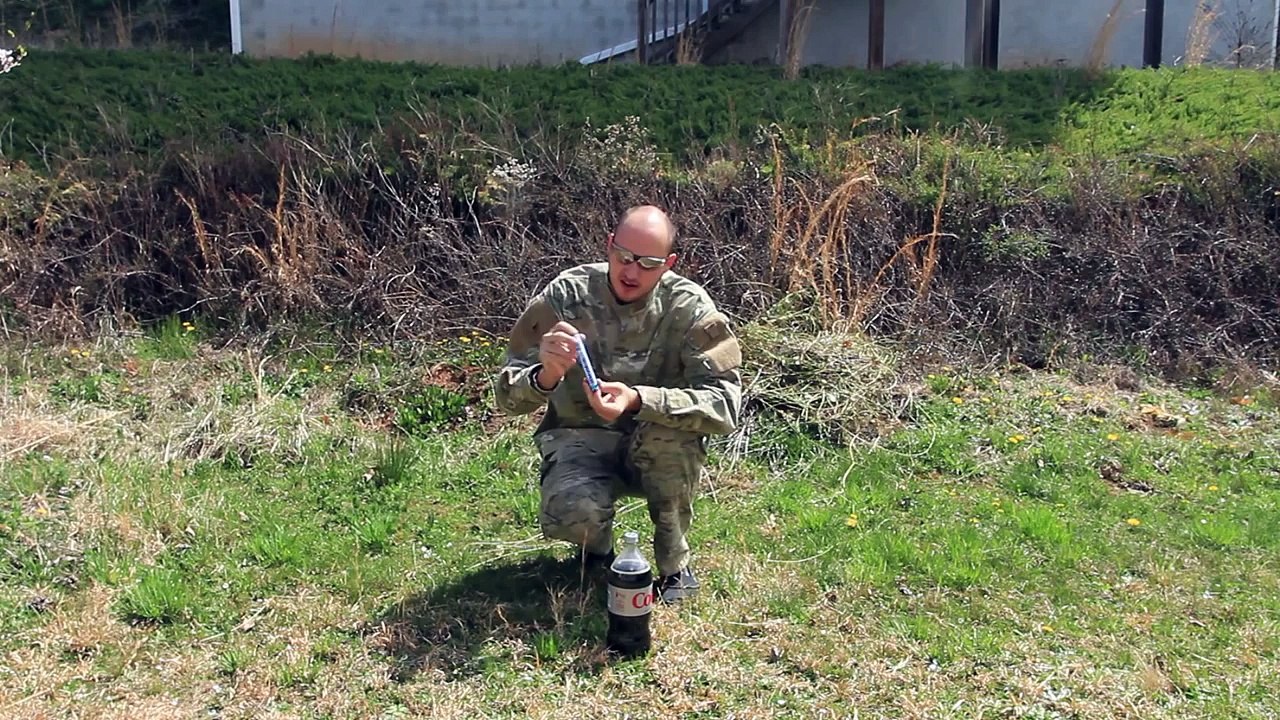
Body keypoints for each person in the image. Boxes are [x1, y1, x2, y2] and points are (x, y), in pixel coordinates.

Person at [493, 205, 743, 604]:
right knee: (569, 510)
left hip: (656, 441)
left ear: (669, 264)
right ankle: (597, 552)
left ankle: (674, 564)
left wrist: (640, 400)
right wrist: (546, 374)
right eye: (623, 257)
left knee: (669, 437)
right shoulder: (566, 296)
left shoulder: (690, 308)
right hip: (581, 438)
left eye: (648, 263)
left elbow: (725, 405)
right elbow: (507, 395)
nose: (631, 272)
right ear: (608, 246)